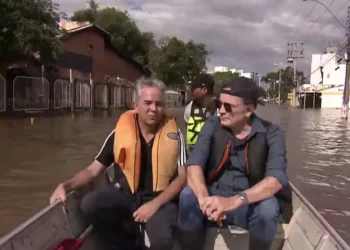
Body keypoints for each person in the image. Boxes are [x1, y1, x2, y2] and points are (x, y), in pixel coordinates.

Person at [50, 77, 187, 250]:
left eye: (159, 104)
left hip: (159, 201)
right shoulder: (119, 134)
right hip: (125, 197)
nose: (153, 109)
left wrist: (155, 204)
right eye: (148, 103)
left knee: (162, 244)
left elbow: (183, 178)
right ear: (136, 106)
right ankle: (129, 244)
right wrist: (66, 185)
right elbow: (93, 171)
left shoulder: (175, 135)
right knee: (90, 204)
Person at [177, 77, 292, 250]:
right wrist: (204, 199)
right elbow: (194, 165)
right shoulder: (212, 125)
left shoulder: (272, 133)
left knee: (268, 209)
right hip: (213, 197)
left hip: (248, 203)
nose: (221, 111)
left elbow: (275, 180)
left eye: (229, 107)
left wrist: (231, 202)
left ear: (249, 110)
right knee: (187, 195)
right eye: (219, 104)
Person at [184, 73, 220, 152]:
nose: (190, 90)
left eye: (193, 88)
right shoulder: (189, 109)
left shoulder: (221, 109)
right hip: (194, 156)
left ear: (204, 89)